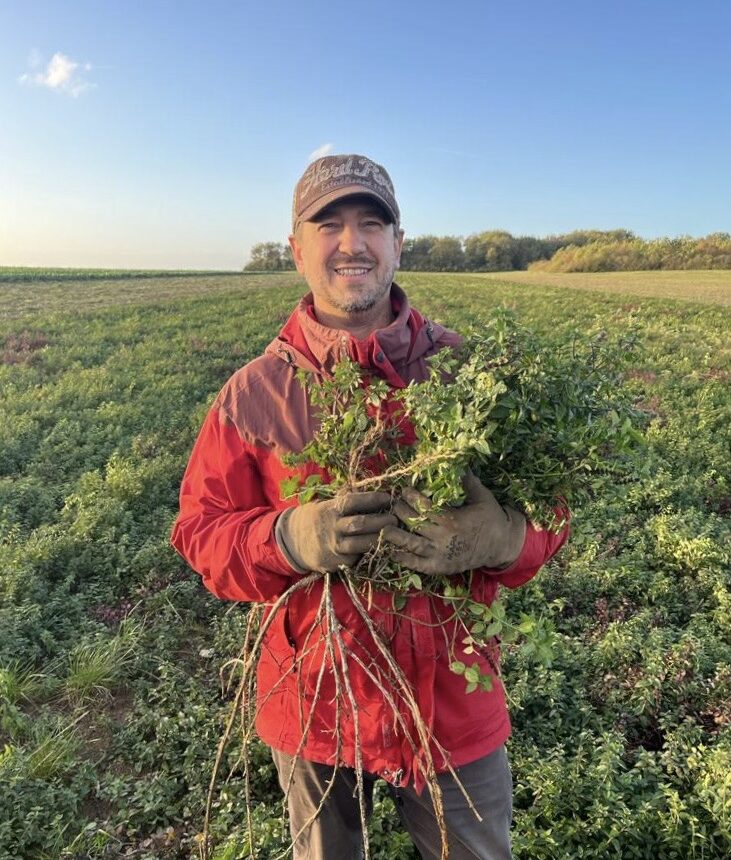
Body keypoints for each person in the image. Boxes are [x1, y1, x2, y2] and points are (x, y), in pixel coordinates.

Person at [171, 154, 569, 859]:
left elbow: (552, 512)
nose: (351, 242)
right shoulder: (254, 393)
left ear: (398, 243)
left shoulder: (468, 372)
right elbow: (201, 534)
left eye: (370, 224)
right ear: (297, 248)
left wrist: (504, 536)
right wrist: (290, 538)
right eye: (329, 225)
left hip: (453, 701)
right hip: (314, 707)